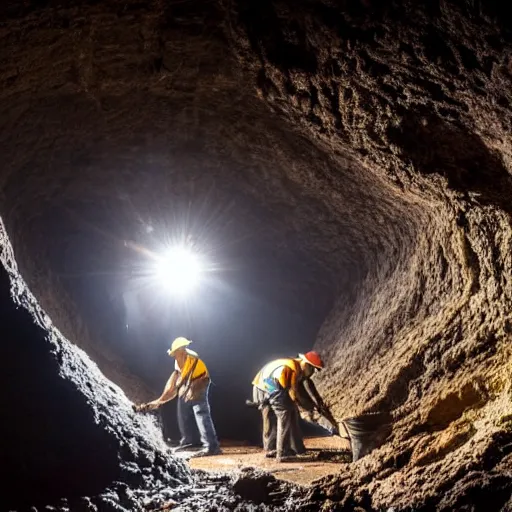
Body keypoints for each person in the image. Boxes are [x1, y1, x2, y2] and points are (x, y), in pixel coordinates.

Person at [134, 337, 221, 458]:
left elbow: (177, 387)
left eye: (180, 350)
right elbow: (171, 389)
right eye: (176, 352)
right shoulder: (177, 362)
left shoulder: (192, 358)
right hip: (189, 382)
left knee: (200, 411)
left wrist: (173, 394)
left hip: (201, 381)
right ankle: (190, 441)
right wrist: (157, 402)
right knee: (183, 407)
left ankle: (212, 446)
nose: (178, 354)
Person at [251, 350, 332, 462]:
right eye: (313, 369)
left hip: (274, 385)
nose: (313, 372)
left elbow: (306, 387)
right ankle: (282, 453)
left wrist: (317, 404)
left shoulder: (299, 368)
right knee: (283, 414)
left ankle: (295, 448)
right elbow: (294, 393)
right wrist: (307, 409)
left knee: (291, 412)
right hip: (266, 386)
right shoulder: (293, 368)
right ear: (306, 364)